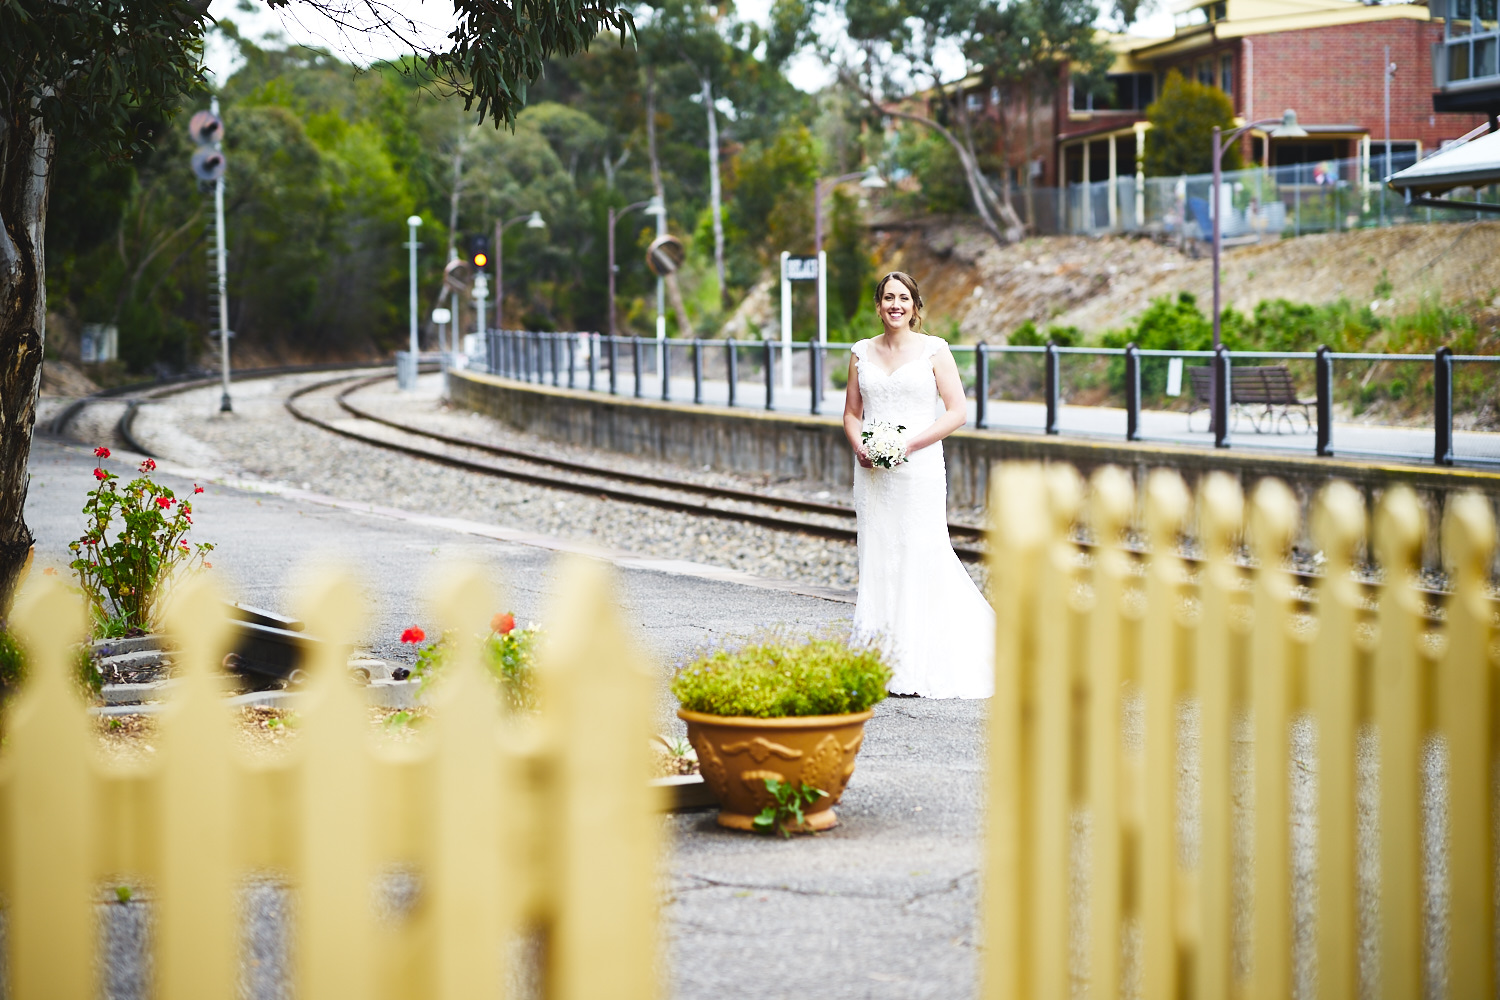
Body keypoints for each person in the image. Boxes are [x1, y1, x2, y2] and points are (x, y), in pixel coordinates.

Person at [841, 272, 994, 699]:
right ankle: (877, 659)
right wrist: (860, 446)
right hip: (872, 472)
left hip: (919, 468)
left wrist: (908, 443)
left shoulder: (935, 350)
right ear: (878, 304)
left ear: (915, 306)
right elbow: (852, 413)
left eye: (903, 298)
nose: (895, 305)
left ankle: (917, 659)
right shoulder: (860, 353)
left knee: (918, 551)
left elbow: (957, 411)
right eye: (888, 297)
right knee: (878, 551)